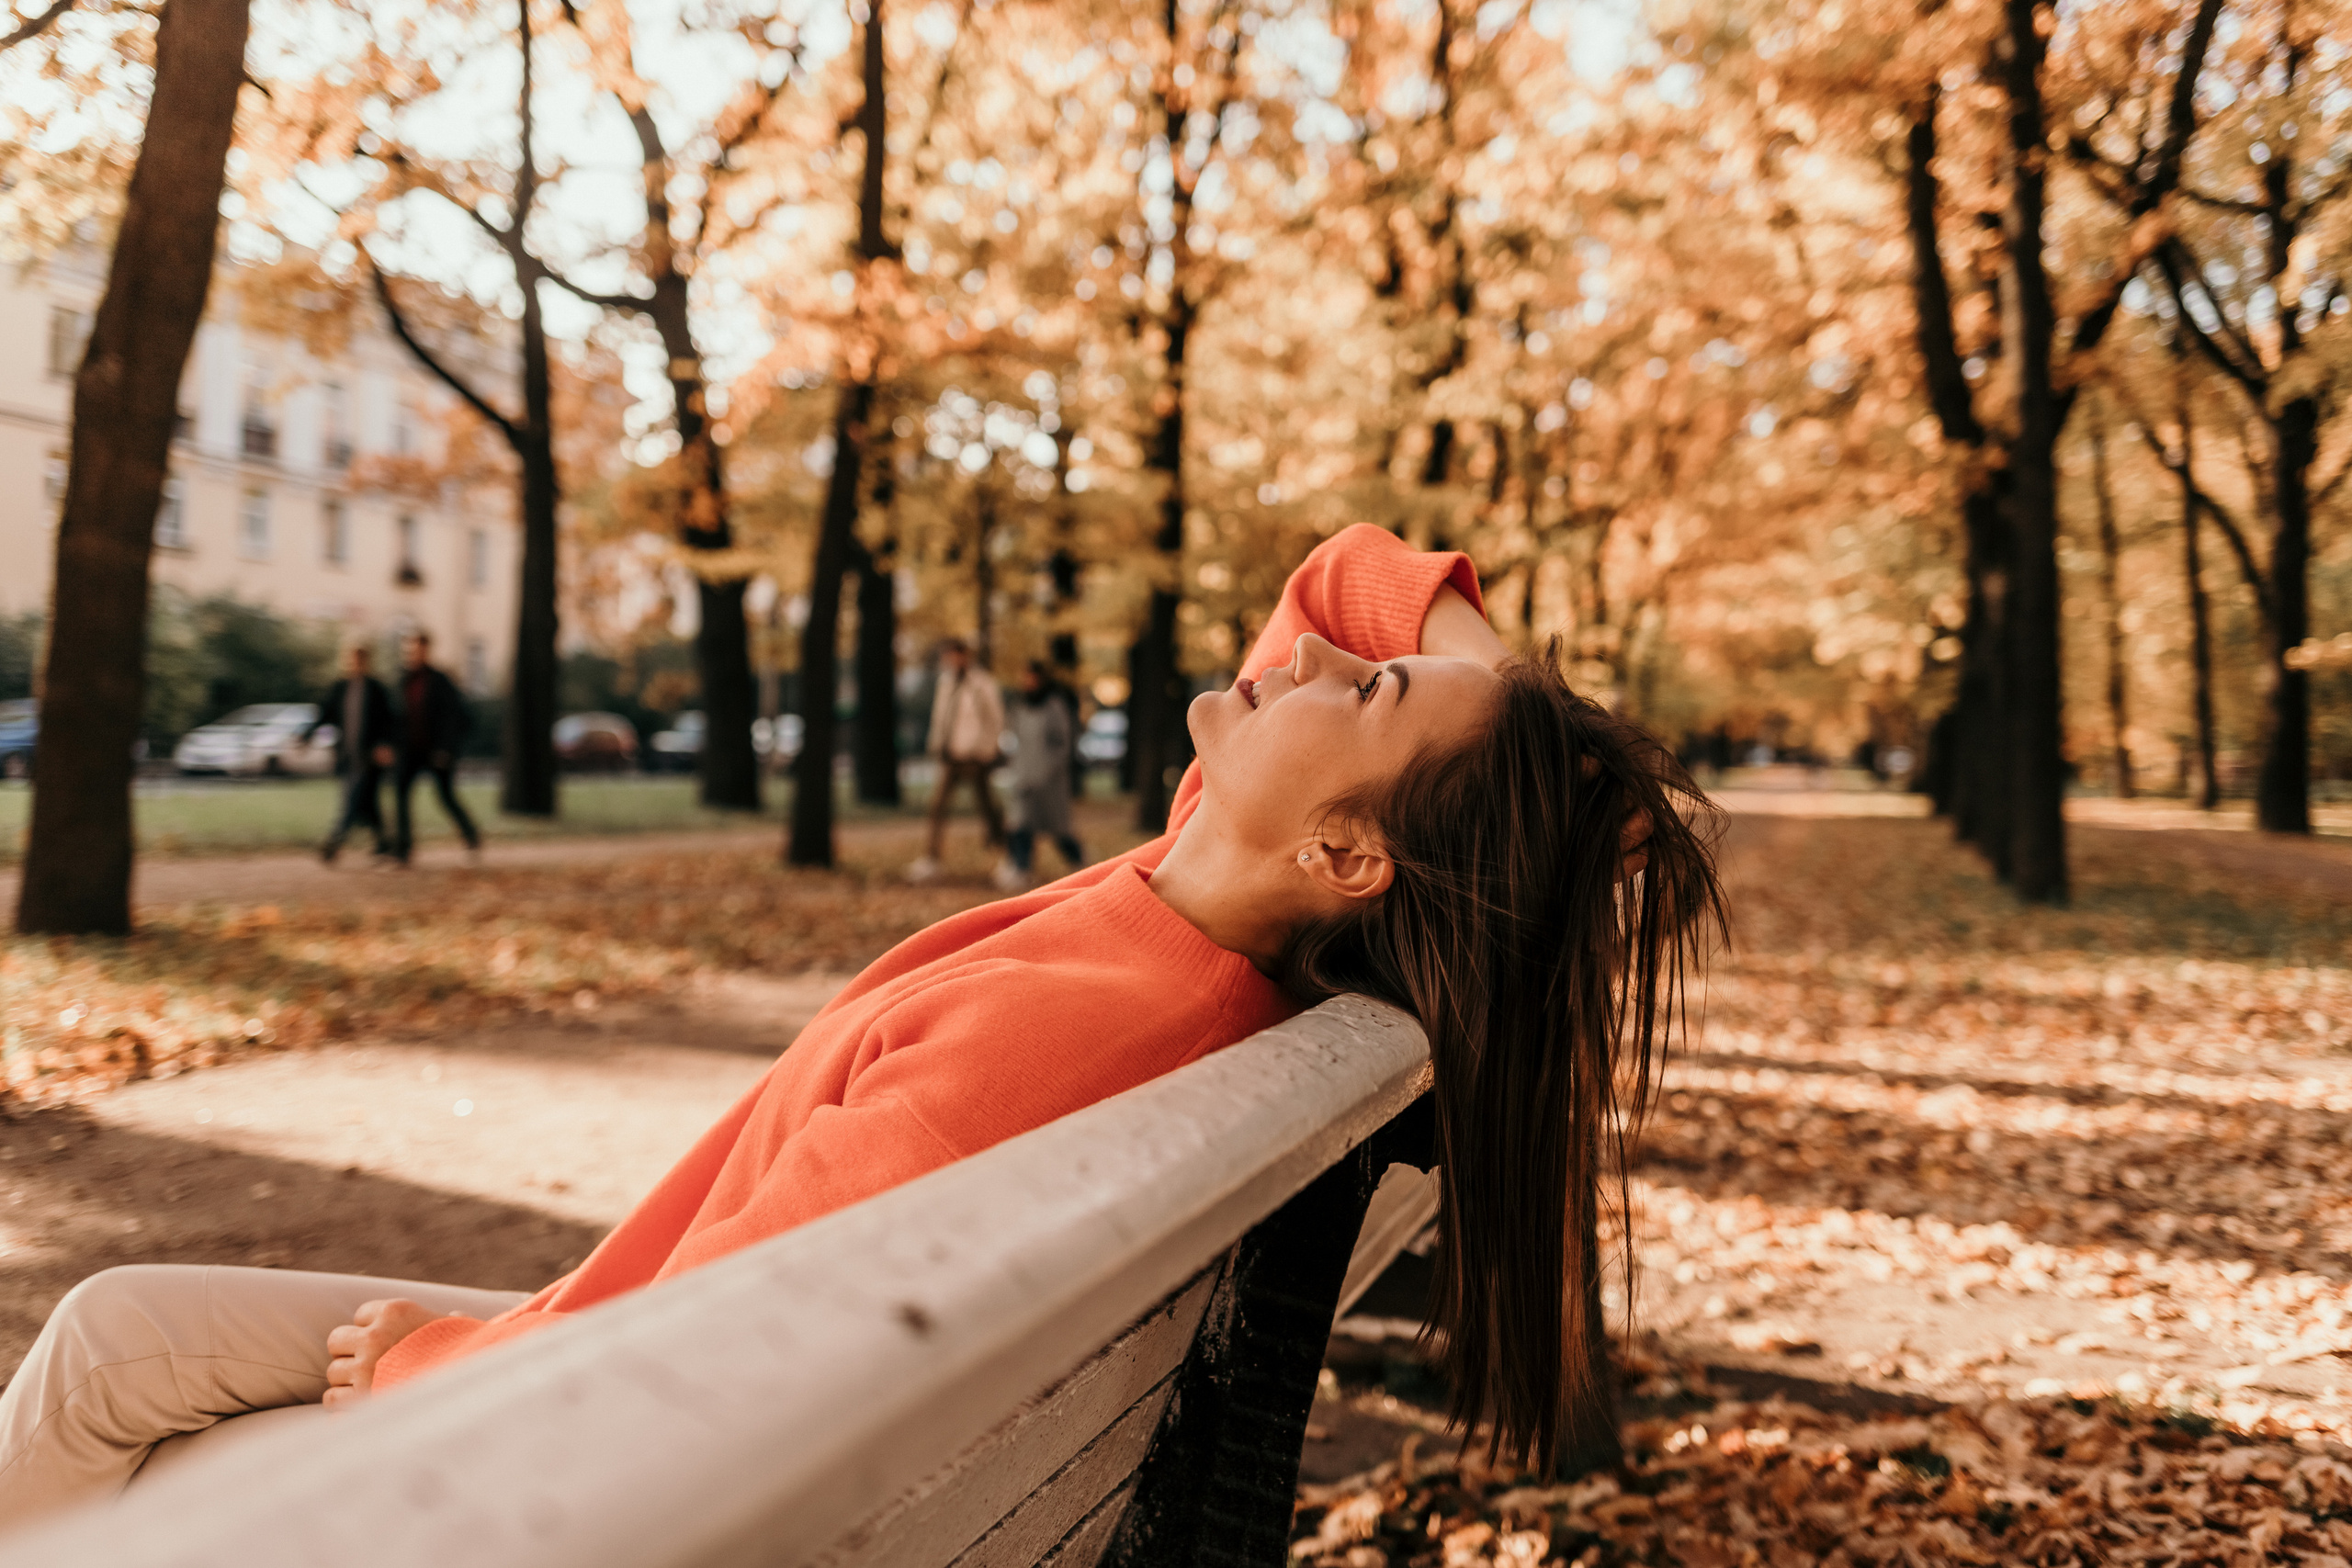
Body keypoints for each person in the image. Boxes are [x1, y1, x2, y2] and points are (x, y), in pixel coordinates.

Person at [0, 526, 1725, 1524]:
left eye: (1356, 697)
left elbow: (734, 1323)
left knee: (101, 1378)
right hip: (641, 1356)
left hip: (578, 1446)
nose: (1309, 660)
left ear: (1350, 850)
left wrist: (444, 1368)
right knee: (116, 1325)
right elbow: (1348, 576)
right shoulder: (1208, 888)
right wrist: (1516, 725)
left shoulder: (1075, 1030)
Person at [908, 638, 1005, 883]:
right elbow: (941, 717)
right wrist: (937, 745)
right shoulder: (947, 681)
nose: (949, 661)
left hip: (975, 756)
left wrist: (985, 750)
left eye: (952, 655)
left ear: (963, 655)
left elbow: (994, 719)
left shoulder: (982, 683)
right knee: (938, 806)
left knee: (988, 808)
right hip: (951, 755)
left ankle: (1008, 855)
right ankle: (931, 858)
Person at [390, 631, 481, 865]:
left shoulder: (440, 681)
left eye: (417, 649)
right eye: (409, 649)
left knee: (446, 797)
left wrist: (446, 749)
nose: (412, 654)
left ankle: (471, 836)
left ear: (426, 650)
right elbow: (397, 717)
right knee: (400, 794)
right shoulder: (403, 680)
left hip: (436, 752)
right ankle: (403, 849)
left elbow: (457, 717)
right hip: (410, 751)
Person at [307, 643, 398, 864]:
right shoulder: (340, 688)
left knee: (352, 800)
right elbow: (324, 713)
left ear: (366, 662)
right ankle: (384, 844)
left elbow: (389, 721)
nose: (355, 664)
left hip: (370, 757)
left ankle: (334, 843)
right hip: (348, 756)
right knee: (367, 802)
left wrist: (385, 745)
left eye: (359, 660)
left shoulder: (376, 689)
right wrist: (306, 734)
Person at [998, 660, 1085, 891]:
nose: (1027, 682)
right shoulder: (1020, 707)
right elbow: (1014, 740)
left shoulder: (1054, 707)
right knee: (1020, 825)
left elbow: (1062, 745)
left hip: (1049, 781)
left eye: (1031, 677)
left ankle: (1081, 864)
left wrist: (1046, 771)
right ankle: (1021, 868)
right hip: (1024, 777)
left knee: (1058, 830)